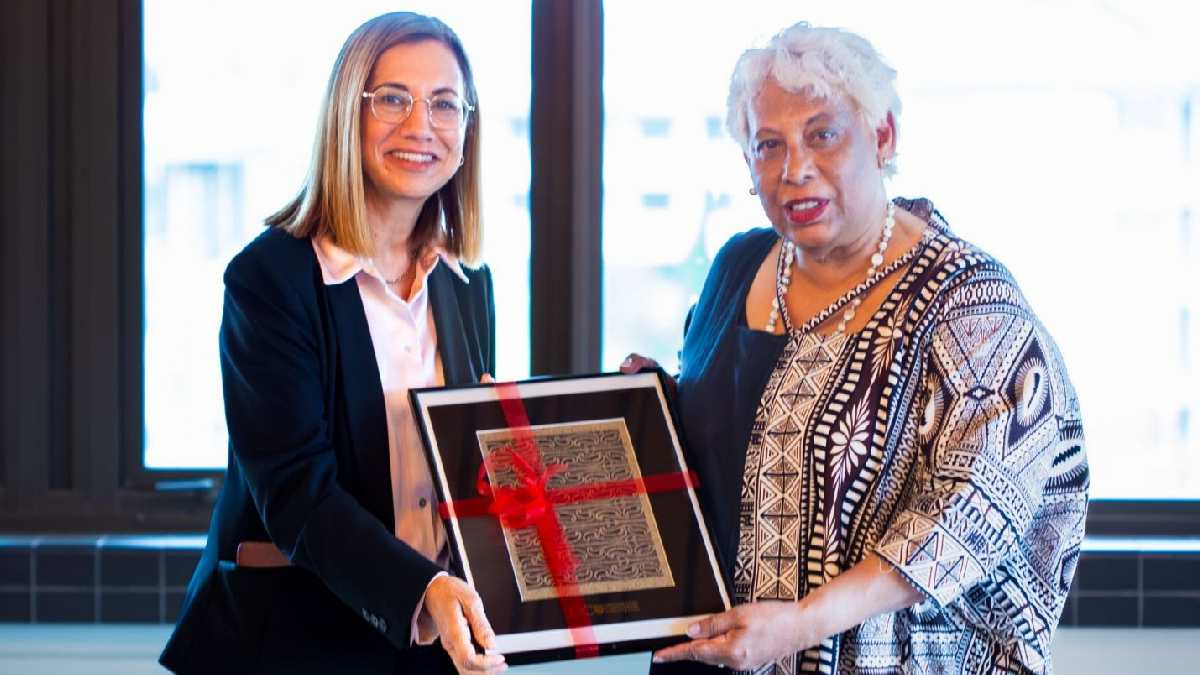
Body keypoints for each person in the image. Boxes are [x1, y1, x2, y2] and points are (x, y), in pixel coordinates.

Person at [625, 22, 1088, 675]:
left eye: (822, 134)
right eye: (769, 145)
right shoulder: (736, 266)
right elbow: (740, 444)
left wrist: (799, 626)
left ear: (882, 136)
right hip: (711, 659)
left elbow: (972, 515)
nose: (795, 169)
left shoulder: (967, 300)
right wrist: (653, 409)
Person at [160, 12, 506, 675]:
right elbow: (297, 492)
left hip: (432, 645)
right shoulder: (270, 279)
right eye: (394, 99)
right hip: (296, 639)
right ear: (349, 115)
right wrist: (422, 590)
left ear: (467, 129)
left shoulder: (468, 282)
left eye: (444, 103)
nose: (422, 126)